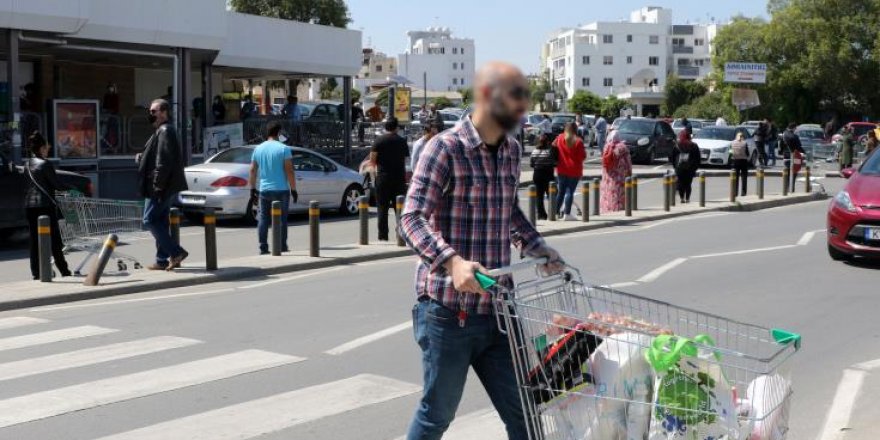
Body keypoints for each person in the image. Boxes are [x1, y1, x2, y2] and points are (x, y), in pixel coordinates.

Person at [400, 61, 563, 440]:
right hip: (448, 312)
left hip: (499, 312)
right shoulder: (444, 149)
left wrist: (539, 248)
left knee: (526, 413)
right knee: (436, 415)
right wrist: (451, 262)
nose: (523, 111)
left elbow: (508, 212)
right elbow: (411, 218)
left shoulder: (511, 151)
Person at [137, 99, 189, 271]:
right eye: (150, 111)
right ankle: (161, 260)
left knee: (149, 219)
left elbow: (164, 162)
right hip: (164, 185)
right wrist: (141, 158)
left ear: (164, 112)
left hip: (160, 187)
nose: (150, 114)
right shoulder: (161, 131)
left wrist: (158, 187)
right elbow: (156, 157)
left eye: (154, 111)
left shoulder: (165, 130)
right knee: (160, 220)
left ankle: (176, 252)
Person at [23, 132, 72, 280]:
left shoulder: (27, 164)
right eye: (47, 146)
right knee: (55, 240)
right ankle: (64, 270)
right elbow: (56, 184)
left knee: (34, 240)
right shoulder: (45, 164)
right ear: (42, 148)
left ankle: (36, 272)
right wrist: (70, 188)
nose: (49, 148)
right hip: (45, 206)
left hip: (30, 206)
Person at [249, 121, 298, 255]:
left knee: (263, 218)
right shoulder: (284, 149)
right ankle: (282, 246)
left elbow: (252, 170)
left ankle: (263, 247)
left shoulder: (258, 149)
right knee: (282, 219)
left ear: (267, 132)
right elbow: (289, 171)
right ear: (279, 133)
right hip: (281, 189)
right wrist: (293, 189)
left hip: (264, 189)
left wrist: (252, 189)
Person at [370, 117, 409, 241]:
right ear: (396, 127)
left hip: (382, 178)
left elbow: (372, 160)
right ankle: (401, 236)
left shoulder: (378, 141)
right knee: (399, 209)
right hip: (398, 179)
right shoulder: (402, 141)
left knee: (382, 208)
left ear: (385, 127)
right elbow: (406, 159)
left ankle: (383, 237)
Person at [554, 122, 586, 220]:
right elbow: (582, 156)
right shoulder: (578, 141)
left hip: (561, 168)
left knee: (560, 192)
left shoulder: (559, 138)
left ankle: (555, 213)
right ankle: (567, 214)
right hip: (574, 169)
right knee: (569, 192)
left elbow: (553, 146)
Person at [600, 131, 632, 213]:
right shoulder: (623, 147)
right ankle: (617, 208)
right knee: (618, 193)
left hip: (607, 177)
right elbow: (628, 162)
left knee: (607, 193)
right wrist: (629, 172)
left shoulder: (606, 146)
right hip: (619, 176)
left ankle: (606, 208)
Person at [530, 133, 557, 220]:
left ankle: (541, 214)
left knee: (539, 196)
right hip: (548, 175)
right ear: (547, 142)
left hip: (537, 175)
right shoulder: (549, 151)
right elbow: (554, 163)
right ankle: (552, 212)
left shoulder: (534, 151)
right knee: (551, 194)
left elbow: (532, 164)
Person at [671, 130, 701, 203]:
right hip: (690, 168)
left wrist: (675, 167)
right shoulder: (694, 145)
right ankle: (687, 198)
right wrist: (695, 168)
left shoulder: (677, 145)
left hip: (679, 168)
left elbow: (672, 157)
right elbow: (698, 158)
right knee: (688, 184)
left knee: (681, 183)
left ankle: (682, 198)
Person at [782, 123, 805, 187]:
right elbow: (799, 147)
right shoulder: (794, 136)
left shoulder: (784, 134)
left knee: (787, 171)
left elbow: (780, 147)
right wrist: (805, 153)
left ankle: (786, 187)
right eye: (796, 128)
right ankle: (792, 187)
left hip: (786, 155)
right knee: (794, 172)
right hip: (795, 156)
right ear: (794, 128)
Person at [731, 132, 750, 196]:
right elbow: (747, 153)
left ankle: (735, 192)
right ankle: (743, 192)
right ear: (743, 137)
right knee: (744, 177)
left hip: (735, 161)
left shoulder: (732, 142)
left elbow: (730, 152)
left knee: (735, 177)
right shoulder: (745, 143)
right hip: (743, 161)